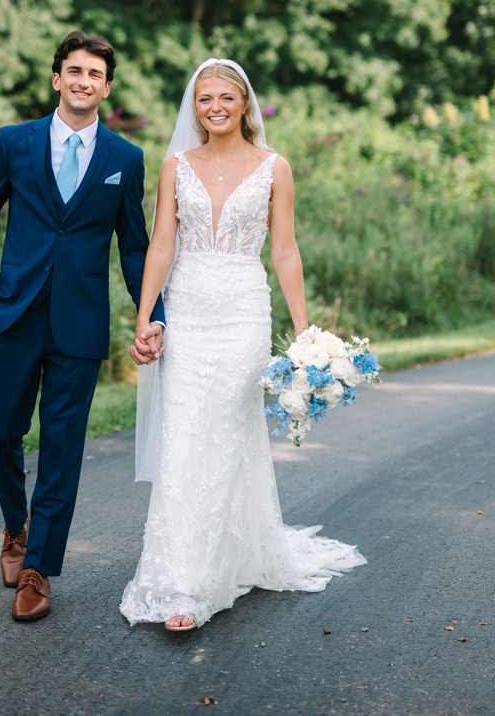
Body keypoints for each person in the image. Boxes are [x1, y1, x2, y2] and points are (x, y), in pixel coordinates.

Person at [120, 59, 365, 632]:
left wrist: (305, 333)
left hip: (243, 314)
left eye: (226, 97)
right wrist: (145, 318)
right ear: (194, 107)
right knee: (183, 437)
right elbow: (159, 246)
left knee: (229, 435)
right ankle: (178, 581)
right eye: (204, 99)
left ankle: (212, 571)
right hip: (187, 310)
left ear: (245, 103)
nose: (215, 107)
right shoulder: (175, 166)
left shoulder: (274, 167)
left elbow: (284, 251)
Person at [0, 31, 165, 623]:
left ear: (107, 86)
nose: (84, 81)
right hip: (14, 311)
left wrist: (151, 314)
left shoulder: (125, 159)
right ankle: (15, 525)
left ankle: (38, 569)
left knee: (61, 446)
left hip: (79, 324)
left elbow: (134, 247)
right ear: (57, 79)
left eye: (95, 74)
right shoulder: (14, 142)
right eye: (74, 71)